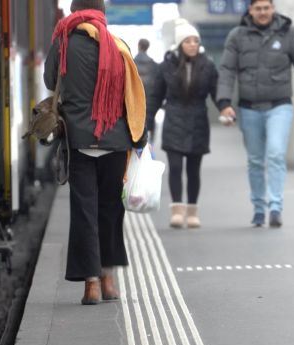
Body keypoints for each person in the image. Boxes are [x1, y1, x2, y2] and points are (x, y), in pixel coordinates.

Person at [44, 0, 147, 305]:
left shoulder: (62, 42)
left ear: (75, 12)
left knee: (84, 211)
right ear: (102, 13)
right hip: (115, 141)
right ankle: (109, 280)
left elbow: (51, 81)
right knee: (111, 212)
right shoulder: (117, 45)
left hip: (79, 140)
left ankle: (91, 285)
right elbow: (133, 92)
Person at [217, 0, 294, 228]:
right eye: (258, 8)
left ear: (273, 9)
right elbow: (227, 70)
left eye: (267, 8)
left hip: (280, 106)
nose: (263, 12)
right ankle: (258, 208)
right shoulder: (237, 36)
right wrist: (224, 102)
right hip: (249, 108)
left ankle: (275, 207)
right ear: (250, 10)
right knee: (255, 160)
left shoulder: (289, 34)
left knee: (275, 154)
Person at [147, 20, 219, 229]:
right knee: (176, 167)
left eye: (196, 41)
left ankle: (193, 210)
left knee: (194, 170)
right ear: (179, 44)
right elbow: (155, 96)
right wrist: (147, 123)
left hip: (198, 119)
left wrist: (225, 107)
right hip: (174, 119)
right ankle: (177, 211)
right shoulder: (165, 67)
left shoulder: (207, 66)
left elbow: (217, 92)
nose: (193, 44)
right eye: (188, 41)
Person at [134, 38, 159, 139]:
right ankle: (150, 141)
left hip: (135, 98)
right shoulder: (154, 65)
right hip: (149, 99)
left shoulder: (131, 63)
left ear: (139, 46)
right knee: (149, 121)